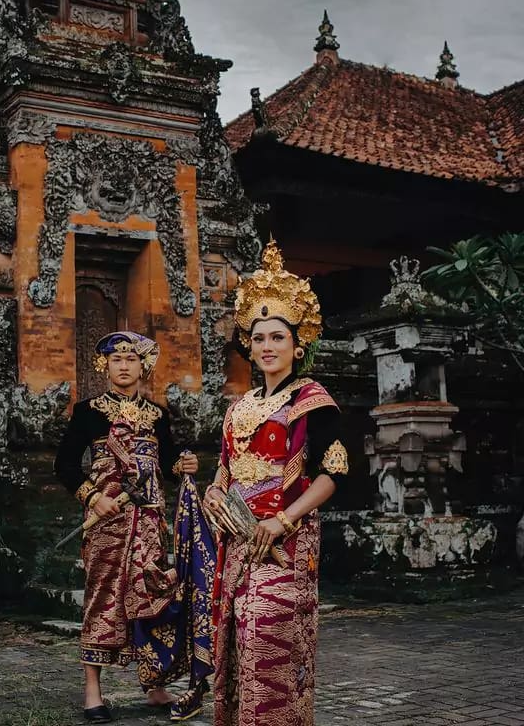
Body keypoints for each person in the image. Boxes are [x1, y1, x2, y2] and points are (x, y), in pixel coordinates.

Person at [204, 242, 349, 726]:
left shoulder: (311, 400)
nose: (266, 346)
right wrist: (211, 493)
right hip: (238, 542)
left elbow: (334, 473)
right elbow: (225, 468)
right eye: (258, 337)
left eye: (277, 337)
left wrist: (284, 518)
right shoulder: (237, 406)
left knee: (270, 644)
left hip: (284, 541)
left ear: (297, 344)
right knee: (237, 644)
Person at [54, 331, 200, 723]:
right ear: (105, 366)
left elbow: (169, 466)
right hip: (107, 523)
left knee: (153, 595)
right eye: (116, 360)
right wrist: (91, 497)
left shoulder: (157, 415)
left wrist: (182, 466)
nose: (124, 366)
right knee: (102, 598)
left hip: (150, 522)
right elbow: (65, 465)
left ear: (143, 367)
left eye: (131, 360)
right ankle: (93, 692)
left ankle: (154, 684)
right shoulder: (88, 411)